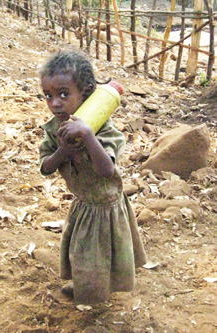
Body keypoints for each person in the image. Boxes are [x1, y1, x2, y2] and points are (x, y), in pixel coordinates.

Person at [39, 50, 147, 305]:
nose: (55, 103)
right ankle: (85, 285)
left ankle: (95, 297)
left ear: (86, 91)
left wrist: (88, 136)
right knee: (83, 253)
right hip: (83, 205)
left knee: (102, 255)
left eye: (64, 94)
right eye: (48, 95)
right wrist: (61, 152)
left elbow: (106, 170)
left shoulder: (104, 129)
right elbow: (45, 167)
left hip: (106, 207)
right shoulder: (54, 130)